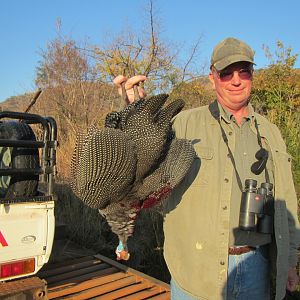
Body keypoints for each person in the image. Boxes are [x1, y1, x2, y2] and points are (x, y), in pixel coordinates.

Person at [113, 37, 300, 300]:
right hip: (195, 272)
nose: (236, 80)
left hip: (255, 267)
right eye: (226, 73)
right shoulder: (183, 124)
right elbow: (140, 166)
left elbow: (286, 202)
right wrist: (134, 115)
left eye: (243, 71)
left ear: (252, 75)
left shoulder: (271, 133)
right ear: (212, 78)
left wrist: (290, 261)